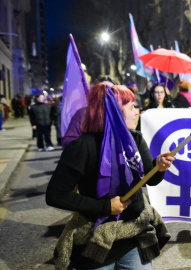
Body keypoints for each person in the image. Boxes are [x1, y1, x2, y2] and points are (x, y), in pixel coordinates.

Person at [46, 83, 176, 269]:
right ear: (115, 111)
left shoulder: (136, 140)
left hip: (133, 236)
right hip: (94, 239)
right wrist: (105, 206)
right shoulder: (83, 146)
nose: (137, 112)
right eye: (131, 107)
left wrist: (159, 167)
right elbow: (56, 194)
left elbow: (151, 179)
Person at [61, 76, 118, 148]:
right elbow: (68, 140)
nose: (107, 93)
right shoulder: (83, 114)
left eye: (111, 90)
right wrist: (91, 144)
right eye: (101, 90)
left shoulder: (122, 113)